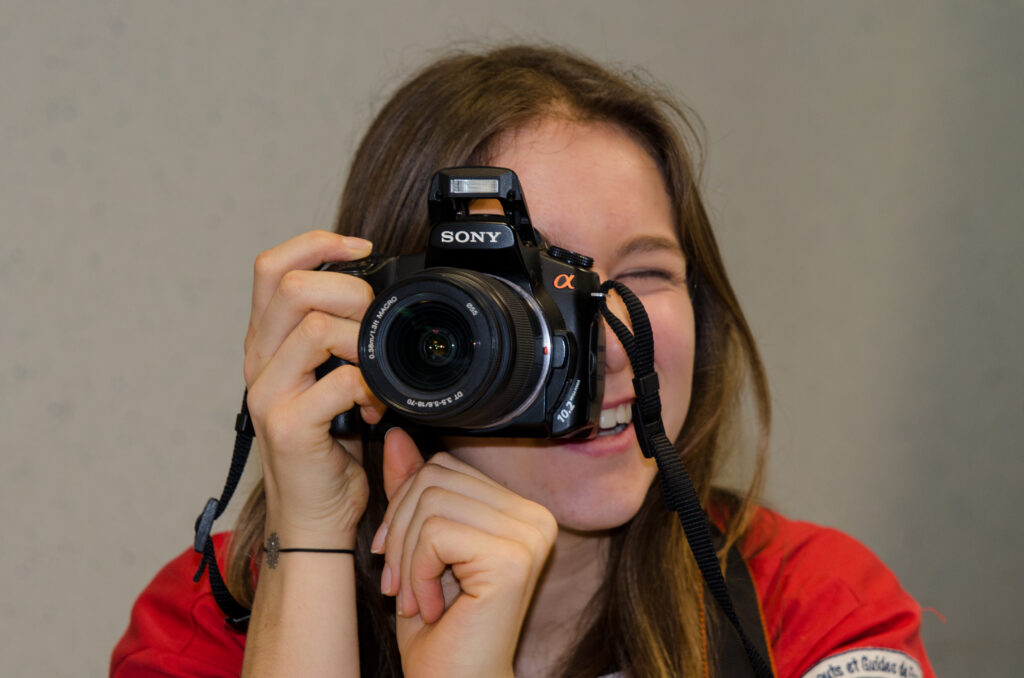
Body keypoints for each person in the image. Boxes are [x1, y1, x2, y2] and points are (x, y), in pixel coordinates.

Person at [111, 45, 935, 678]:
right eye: (534, 289)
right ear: (400, 329)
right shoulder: (217, 617)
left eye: (647, 274)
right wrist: (312, 550)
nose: (607, 338)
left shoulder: (809, 602)